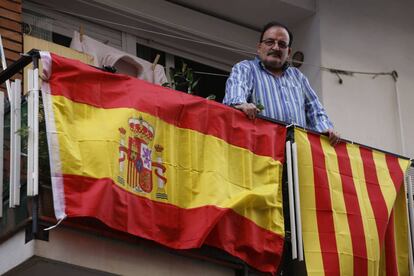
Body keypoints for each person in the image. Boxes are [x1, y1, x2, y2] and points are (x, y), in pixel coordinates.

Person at [223, 21, 340, 146]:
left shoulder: (298, 77)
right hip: (260, 152)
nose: (276, 47)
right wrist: (241, 104)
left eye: (282, 44)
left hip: (296, 155)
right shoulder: (245, 68)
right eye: (270, 42)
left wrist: (326, 129)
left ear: (288, 52)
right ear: (259, 47)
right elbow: (235, 96)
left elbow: (315, 110)